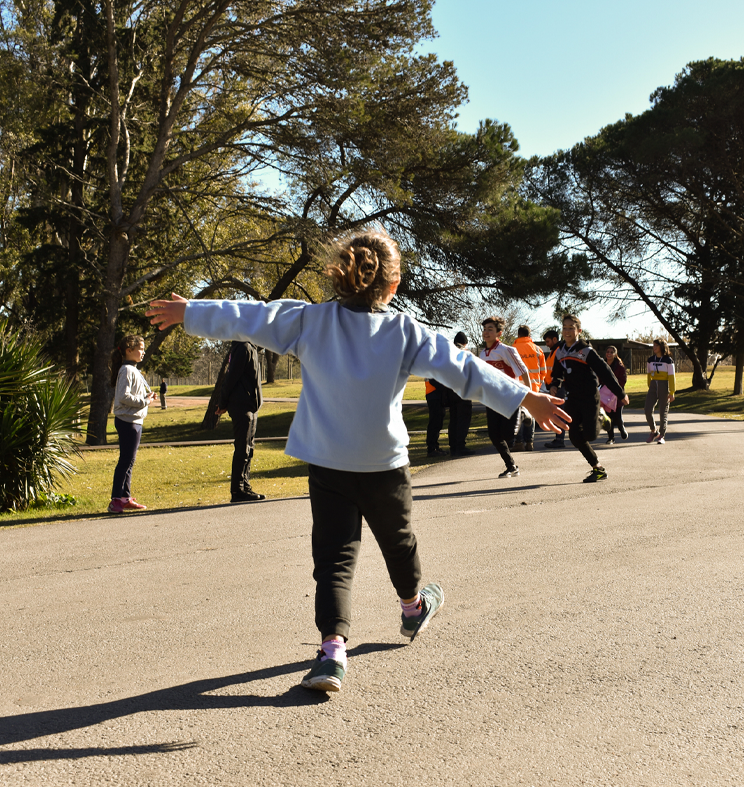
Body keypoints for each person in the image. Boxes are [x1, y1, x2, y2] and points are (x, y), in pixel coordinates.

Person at [146, 227, 569, 694]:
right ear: (392, 286)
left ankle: (331, 654)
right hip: (384, 465)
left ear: (340, 277)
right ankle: (412, 608)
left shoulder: (308, 321)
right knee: (399, 541)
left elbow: (249, 318)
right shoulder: (405, 330)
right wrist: (527, 397)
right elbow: (465, 369)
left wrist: (191, 312)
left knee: (334, 559)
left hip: (328, 463)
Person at [549, 316, 627, 482]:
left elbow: (605, 372)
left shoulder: (586, 351)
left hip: (590, 397)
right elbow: (557, 373)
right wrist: (555, 384)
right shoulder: (560, 351)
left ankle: (602, 417)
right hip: (573, 398)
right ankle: (598, 469)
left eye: (571, 328)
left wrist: (620, 394)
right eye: (564, 327)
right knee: (575, 437)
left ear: (579, 331)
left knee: (590, 436)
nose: (567, 331)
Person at [109, 336, 158, 513]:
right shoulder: (127, 370)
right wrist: (144, 400)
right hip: (127, 421)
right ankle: (115, 500)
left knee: (130, 461)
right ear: (129, 350)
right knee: (125, 461)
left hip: (135, 420)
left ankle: (125, 497)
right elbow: (123, 396)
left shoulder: (133, 370)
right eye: (140, 348)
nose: (143, 352)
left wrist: (147, 398)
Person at [478, 316, 532, 478]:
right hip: (492, 398)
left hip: (509, 396)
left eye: (490, 329)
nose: (486, 332)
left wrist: (528, 393)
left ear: (498, 333)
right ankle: (511, 466)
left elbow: (523, 371)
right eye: (485, 329)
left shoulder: (506, 350)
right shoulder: (482, 354)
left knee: (508, 435)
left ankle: (522, 413)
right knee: (494, 436)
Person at [217, 341, 265, 503]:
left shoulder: (251, 347)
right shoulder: (243, 347)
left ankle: (245, 486)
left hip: (251, 405)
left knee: (249, 447)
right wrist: (222, 402)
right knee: (243, 447)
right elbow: (231, 376)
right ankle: (237, 490)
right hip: (241, 404)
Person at [511, 325, 547, 452]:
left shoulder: (513, 349)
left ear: (519, 335)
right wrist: (538, 383)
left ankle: (519, 442)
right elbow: (543, 371)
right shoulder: (537, 350)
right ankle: (529, 442)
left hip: (517, 387)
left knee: (519, 414)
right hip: (533, 387)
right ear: (529, 335)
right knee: (530, 413)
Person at [447, 332, 475, 456]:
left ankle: (453, 446)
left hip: (449, 390)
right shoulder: (466, 353)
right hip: (463, 390)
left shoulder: (447, 353)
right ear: (465, 343)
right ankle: (460, 446)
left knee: (453, 419)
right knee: (463, 419)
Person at [645, 339, 676, 444]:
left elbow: (672, 377)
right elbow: (649, 375)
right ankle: (654, 431)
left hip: (664, 385)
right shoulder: (650, 360)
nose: (654, 347)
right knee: (647, 410)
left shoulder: (668, 360)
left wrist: (672, 392)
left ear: (662, 347)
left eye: (656, 346)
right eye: (653, 345)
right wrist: (650, 386)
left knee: (663, 413)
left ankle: (661, 435)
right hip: (653, 385)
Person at [542, 329, 567, 448]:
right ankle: (559, 438)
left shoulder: (559, 351)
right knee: (559, 413)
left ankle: (559, 439)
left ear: (555, 339)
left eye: (548, 341)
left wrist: (555, 385)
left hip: (558, 387)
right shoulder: (553, 351)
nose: (547, 344)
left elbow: (559, 371)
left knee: (560, 413)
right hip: (554, 386)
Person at [602, 345, 629, 443]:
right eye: (607, 351)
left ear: (615, 354)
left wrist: (615, 388)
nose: (609, 354)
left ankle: (622, 429)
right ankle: (611, 438)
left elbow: (623, 379)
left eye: (611, 352)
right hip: (605, 395)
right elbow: (599, 377)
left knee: (617, 416)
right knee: (608, 417)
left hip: (617, 395)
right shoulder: (602, 365)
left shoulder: (619, 366)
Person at [424, 376, 452, 457]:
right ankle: (431, 448)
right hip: (433, 394)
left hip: (434, 394)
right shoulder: (431, 365)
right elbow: (433, 380)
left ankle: (435, 446)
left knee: (438, 422)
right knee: (435, 422)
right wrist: (444, 387)